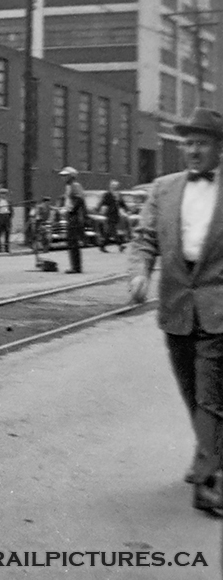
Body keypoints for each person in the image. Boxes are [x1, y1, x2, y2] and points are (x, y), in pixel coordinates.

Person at [129, 107, 223, 516]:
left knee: (209, 394)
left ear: (219, 148)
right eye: (188, 143)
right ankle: (209, 453)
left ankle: (208, 481)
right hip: (176, 308)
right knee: (191, 392)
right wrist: (138, 275)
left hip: (219, 309)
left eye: (202, 143)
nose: (193, 151)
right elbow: (144, 239)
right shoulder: (164, 188)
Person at [59, 166, 86, 274]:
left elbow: (79, 200)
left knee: (73, 241)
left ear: (71, 176)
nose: (63, 178)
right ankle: (75, 266)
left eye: (65, 175)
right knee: (71, 241)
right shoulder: (69, 187)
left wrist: (71, 211)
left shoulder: (75, 186)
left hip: (74, 217)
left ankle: (76, 267)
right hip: (71, 216)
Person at [97, 179, 127, 253]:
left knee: (110, 232)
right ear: (111, 186)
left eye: (116, 185)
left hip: (116, 215)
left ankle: (102, 245)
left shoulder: (118, 194)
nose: (115, 187)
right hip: (110, 214)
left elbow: (122, 203)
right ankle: (120, 245)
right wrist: (99, 209)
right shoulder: (107, 194)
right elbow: (103, 203)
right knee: (112, 230)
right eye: (113, 185)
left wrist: (127, 209)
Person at [0, 188, 13, 253]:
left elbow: (11, 210)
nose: (3, 195)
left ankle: (7, 248)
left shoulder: (8, 201)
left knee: (7, 233)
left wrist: (9, 217)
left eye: (4, 194)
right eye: (2, 194)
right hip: (0, 217)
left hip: (7, 217)